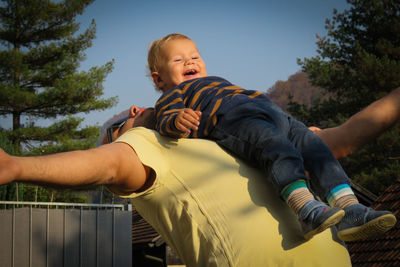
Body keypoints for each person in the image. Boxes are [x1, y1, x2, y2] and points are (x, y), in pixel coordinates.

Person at [1, 84, 400, 266]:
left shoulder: (231, 130)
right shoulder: (145, 144)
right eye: (114, 131)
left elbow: (343, 140)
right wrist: (19, 166)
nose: (115, 138)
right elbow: (105, 164)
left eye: (115, 128)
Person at [149, 33, 396, 241]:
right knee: (276, 148)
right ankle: (306, 210)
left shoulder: (216, 82)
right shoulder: (173, 94)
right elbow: (165, 120)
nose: (189, 62)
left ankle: (350, 208)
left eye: (194, 57)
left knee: (317, 149)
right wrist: (177, 120)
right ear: (158, 78)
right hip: (235, 120)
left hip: (275, 114)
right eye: (178, 60)